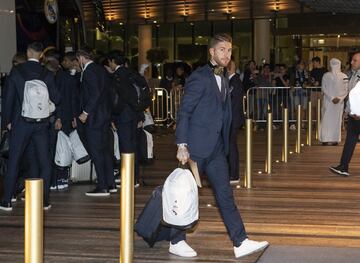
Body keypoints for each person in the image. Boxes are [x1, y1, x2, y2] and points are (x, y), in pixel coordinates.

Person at [175, 33, 268, 258]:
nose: (227, 54)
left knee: (225, 195)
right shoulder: (199, 77)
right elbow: (185, 111)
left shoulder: (225, 76)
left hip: (216, 148)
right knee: (186, 196)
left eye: (229, 50)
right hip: (195, 148)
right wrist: (182, 144)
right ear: (212, 52)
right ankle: (176, 240)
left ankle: (240, 242)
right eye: (222, 50)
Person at [0, 42, 60, 211]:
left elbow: (8, 99)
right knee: (44, 161)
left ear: (28, 52)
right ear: (41, 55)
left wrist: (7, 122)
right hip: (41, 124)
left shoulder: (17, 72)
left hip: (20, 123)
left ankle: (6, 201)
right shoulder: (46, 73)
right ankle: (45, 200)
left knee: (14, 160)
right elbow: (57, 97)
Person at [76, 46, 114, 196]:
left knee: (96, 151)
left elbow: (95, 93)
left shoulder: (89, 71)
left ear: (81, 58)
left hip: (95, 118)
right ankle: (110, 184)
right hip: (103, 116)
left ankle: (102, 186)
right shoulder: (101, 69)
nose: (78, 62)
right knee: (104, 151)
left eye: (78, 59)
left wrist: (85, 112)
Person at [330, 52, 360, 176]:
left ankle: (343, 166)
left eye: (355, 60)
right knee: (350, 141)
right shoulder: (353, 75)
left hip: (358, 114)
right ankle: (343, 166)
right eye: (352, 60)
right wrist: (348, 111)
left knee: (351, 140)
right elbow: (351, 95)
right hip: (354, 115)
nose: (352, 62)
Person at [320, 58, 348, 145]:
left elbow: (346, 89)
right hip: (329, 102)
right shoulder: (326, 75)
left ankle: (335, 139)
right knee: (326, 120)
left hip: (337, 102)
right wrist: (333, 98)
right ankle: (325, 138)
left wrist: (338, 98)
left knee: (336, 120)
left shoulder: (344, 76)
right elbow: (324, 88)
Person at [227, 59, 245, 183]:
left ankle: (234, 174)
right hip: (233, 119)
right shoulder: (232, 81)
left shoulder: (234, 82)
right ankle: (231, 172)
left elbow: (232, 104)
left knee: (231, 146)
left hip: (233, 119)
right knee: (230, 146)